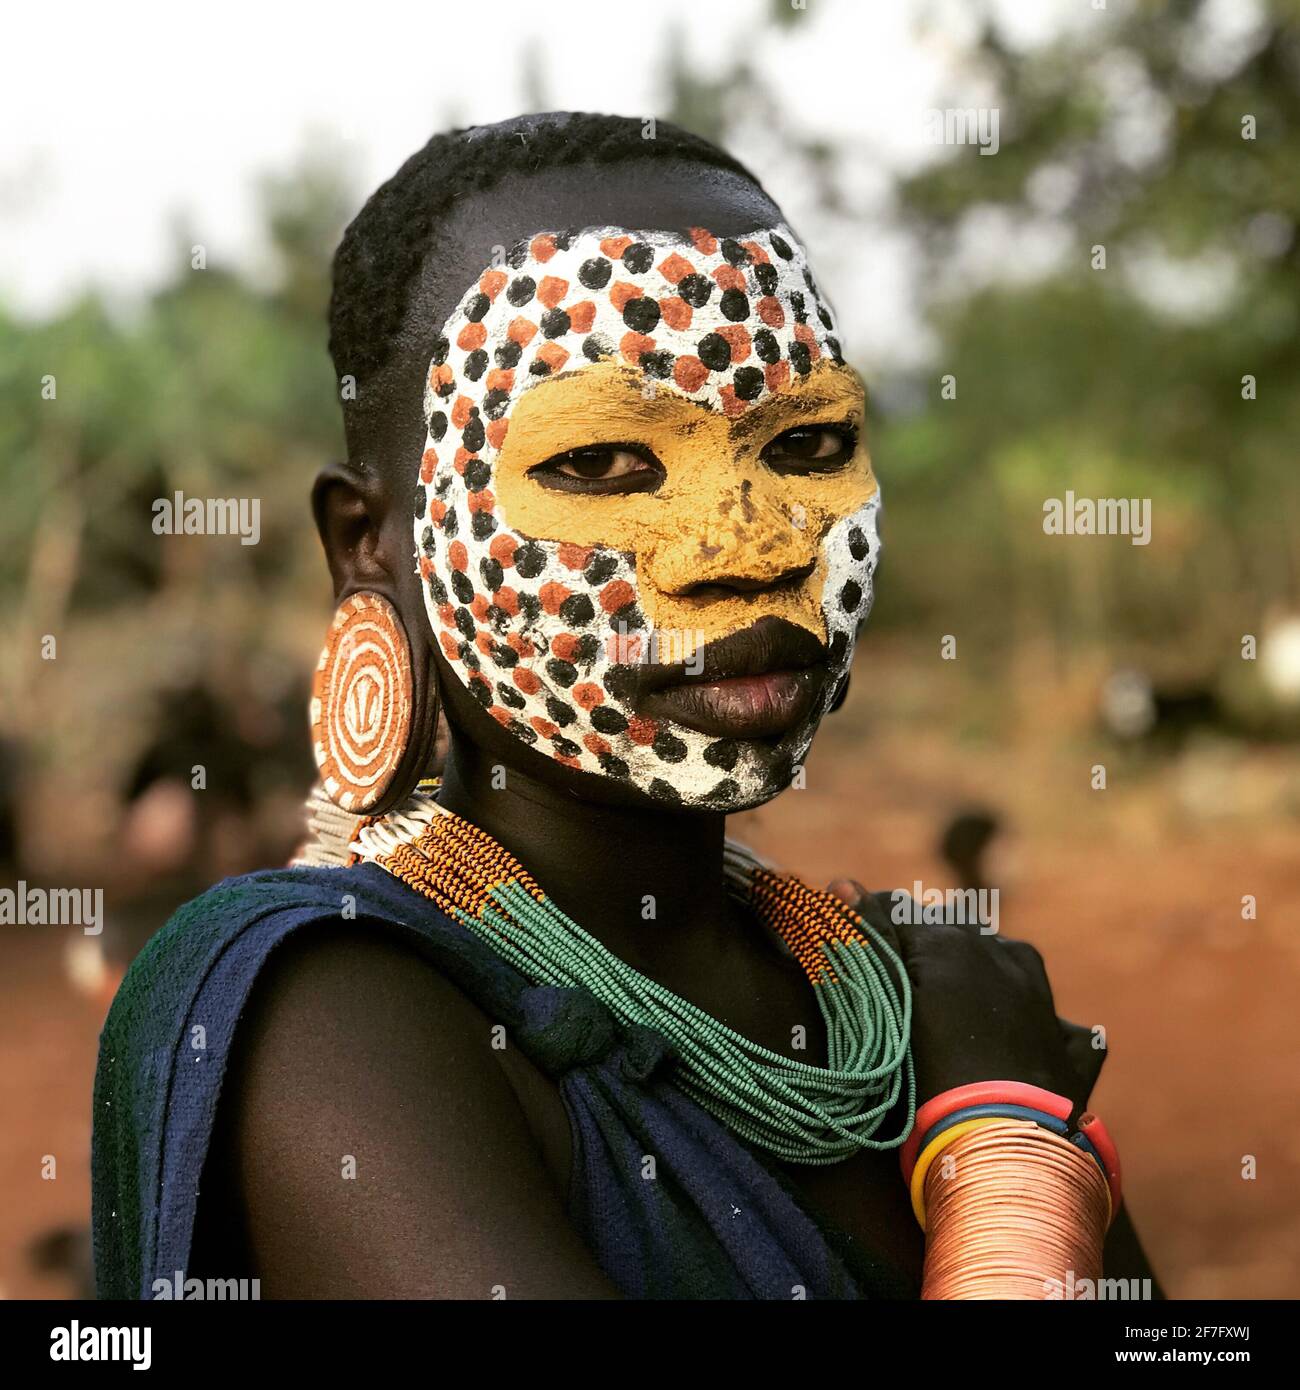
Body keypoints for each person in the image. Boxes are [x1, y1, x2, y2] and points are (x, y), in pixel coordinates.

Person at [92, 112, 1158, 1300]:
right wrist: (1011, 1160)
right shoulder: (334, 1014)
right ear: (369, 544)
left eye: (806, 443)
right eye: (601, 465)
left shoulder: (910, 1007)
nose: (747, 548)